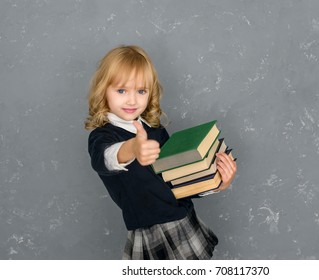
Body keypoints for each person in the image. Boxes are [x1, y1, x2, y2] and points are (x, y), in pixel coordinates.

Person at [85, 45, 237, 260]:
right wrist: (133, 148)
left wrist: (218, 183)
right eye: (121, 90)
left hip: (184, 219)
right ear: (103, 91)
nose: (132, 100)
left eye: (141, 91)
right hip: (151, 232)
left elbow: (177, 180)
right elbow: (106, 159)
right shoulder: (103, 136)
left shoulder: (155, 130)